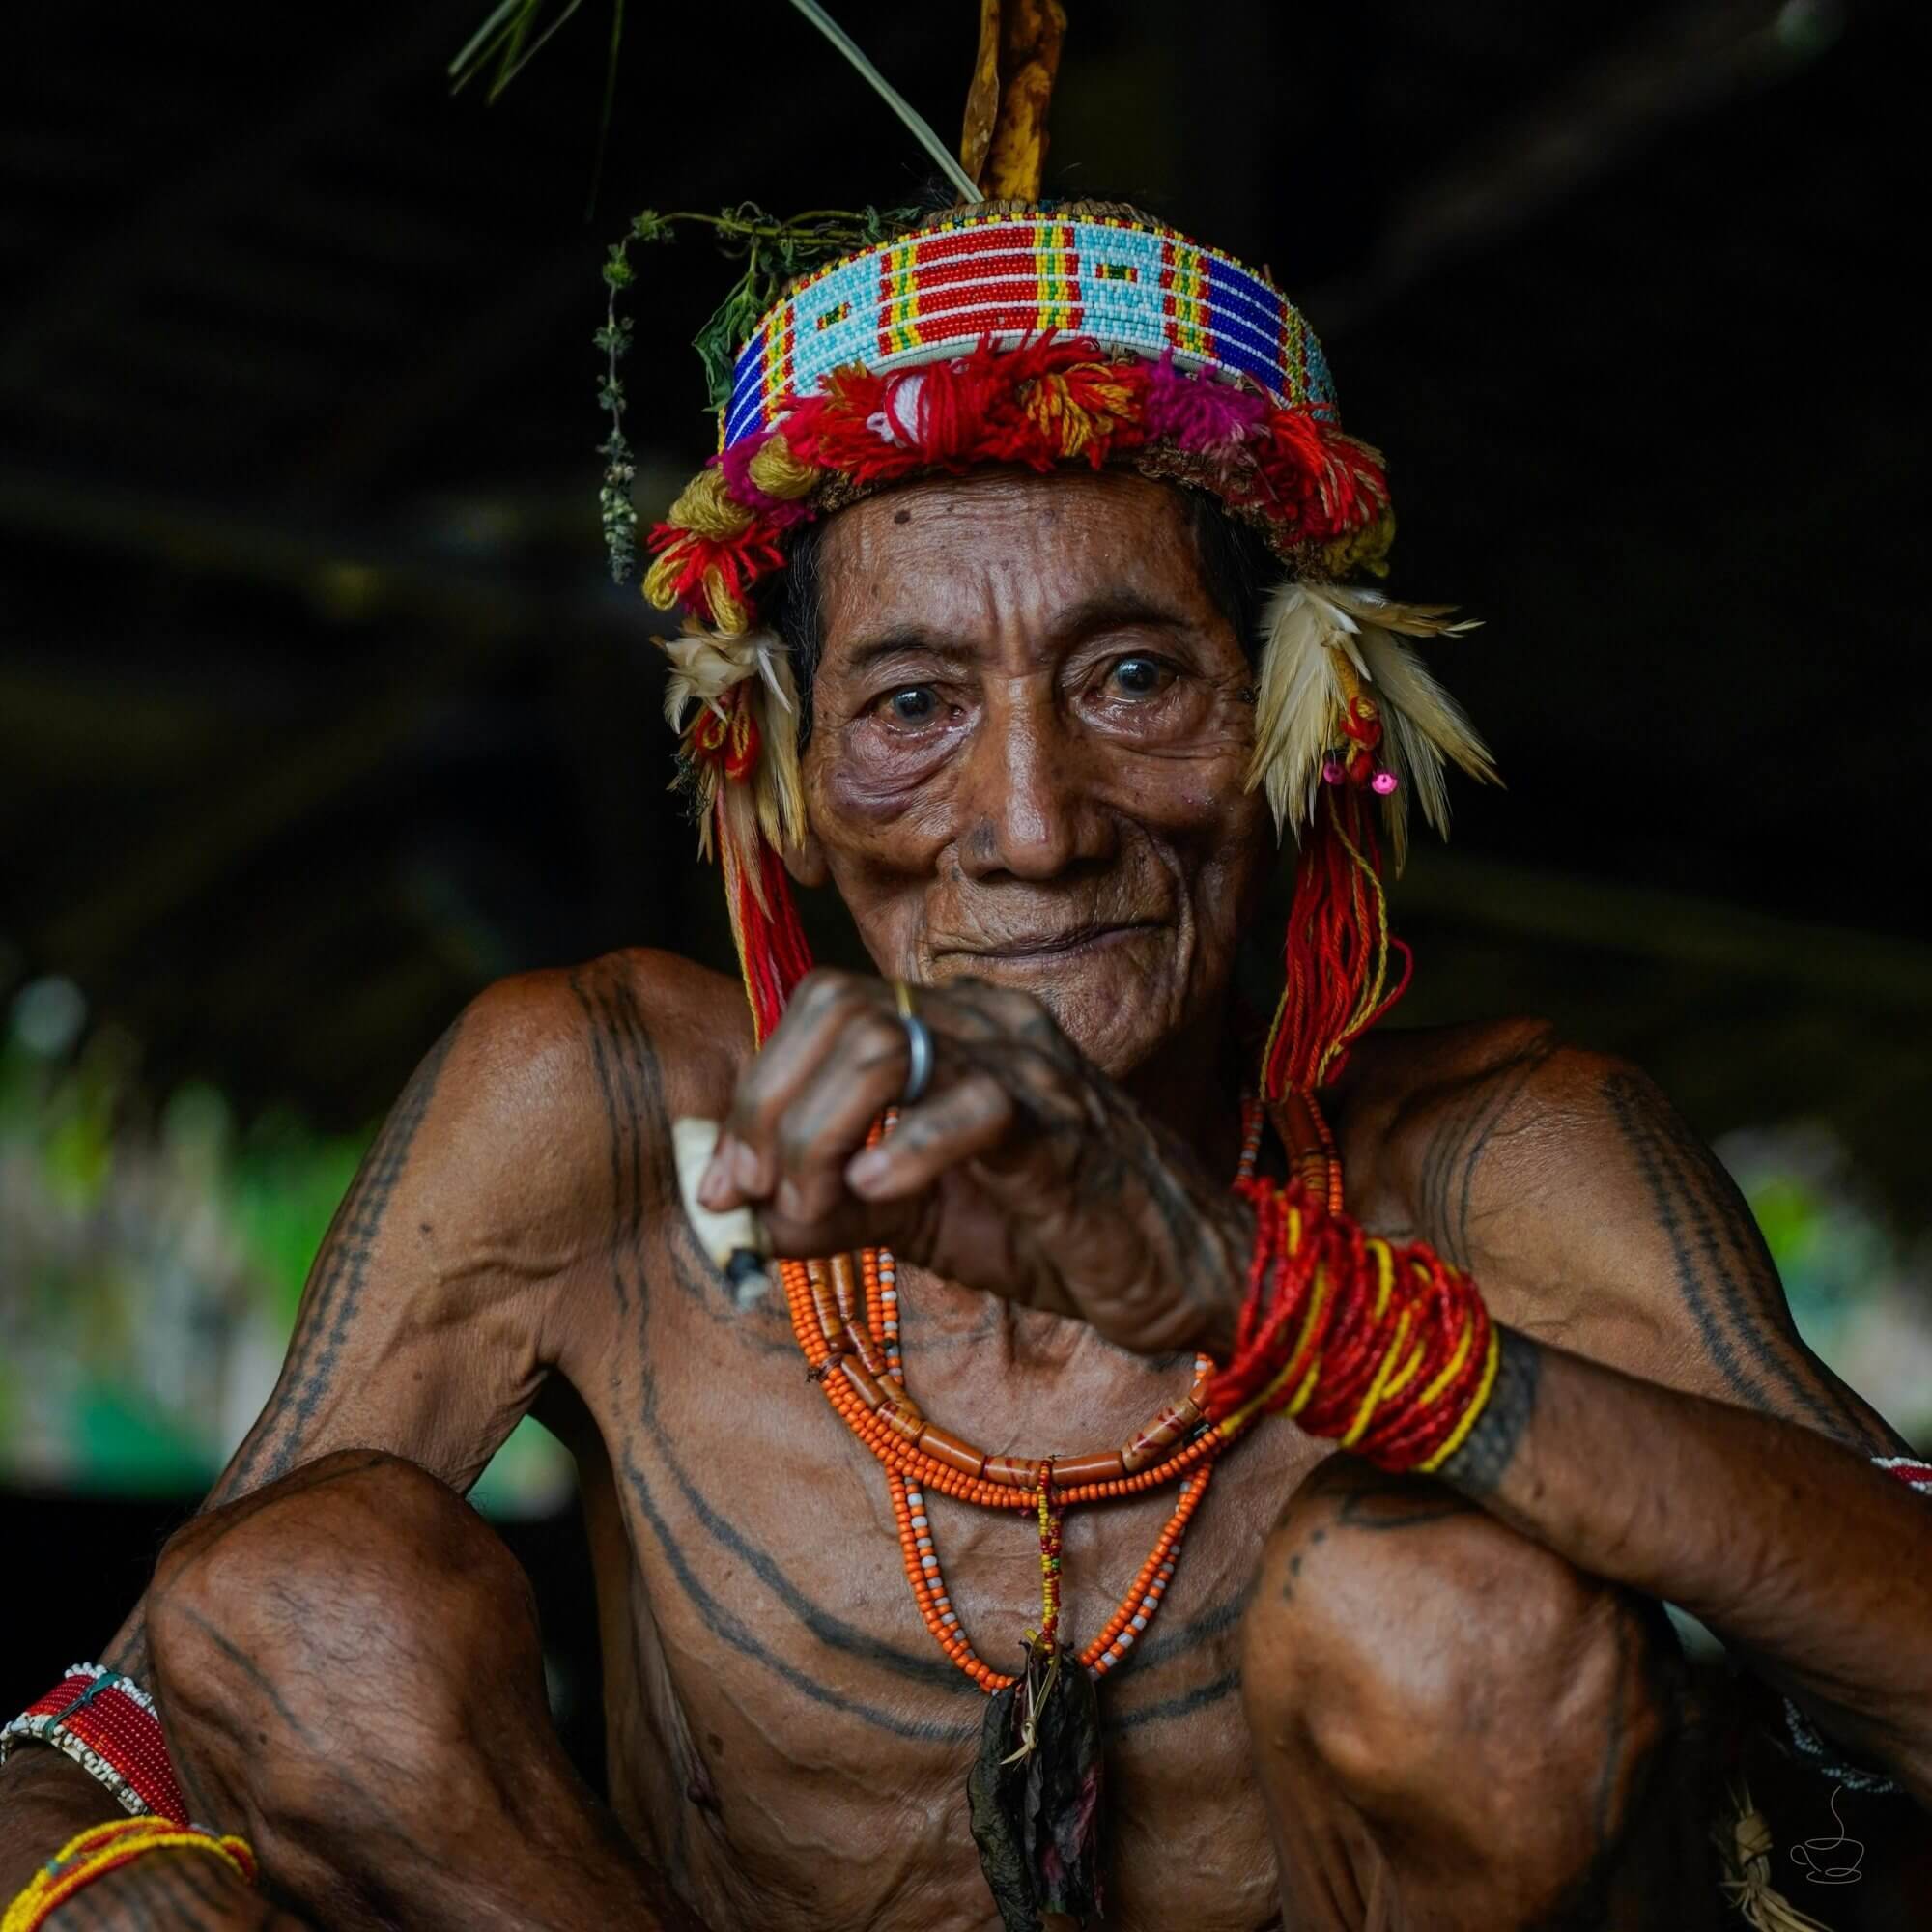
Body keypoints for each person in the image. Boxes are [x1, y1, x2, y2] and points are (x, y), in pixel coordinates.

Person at [5, 189, 1929, 1932]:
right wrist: (93, 1888)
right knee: (300, 1599)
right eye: (914, 702)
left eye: (1132, 678)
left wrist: (1272, 1299)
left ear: (1294, 725)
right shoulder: (592, 1108)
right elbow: (92, 1745)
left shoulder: (1498, 1158)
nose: (1027, 822)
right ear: (782, 774)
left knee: (1443, 1625)